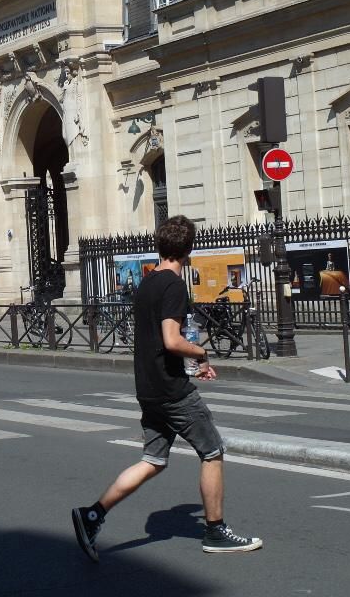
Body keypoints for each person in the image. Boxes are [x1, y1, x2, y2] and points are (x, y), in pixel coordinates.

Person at [71, 215, 262, 561]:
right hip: (172, 390)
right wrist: (201, 353)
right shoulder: (174, 286)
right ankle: (215, 531)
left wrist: (194, 361)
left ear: (160, 245)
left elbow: (157, 340)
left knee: (153, 460)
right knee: (212, 452)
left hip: (148, 387)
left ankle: (92, 515)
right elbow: (172, 340)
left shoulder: (148, 283)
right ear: (189, 249)